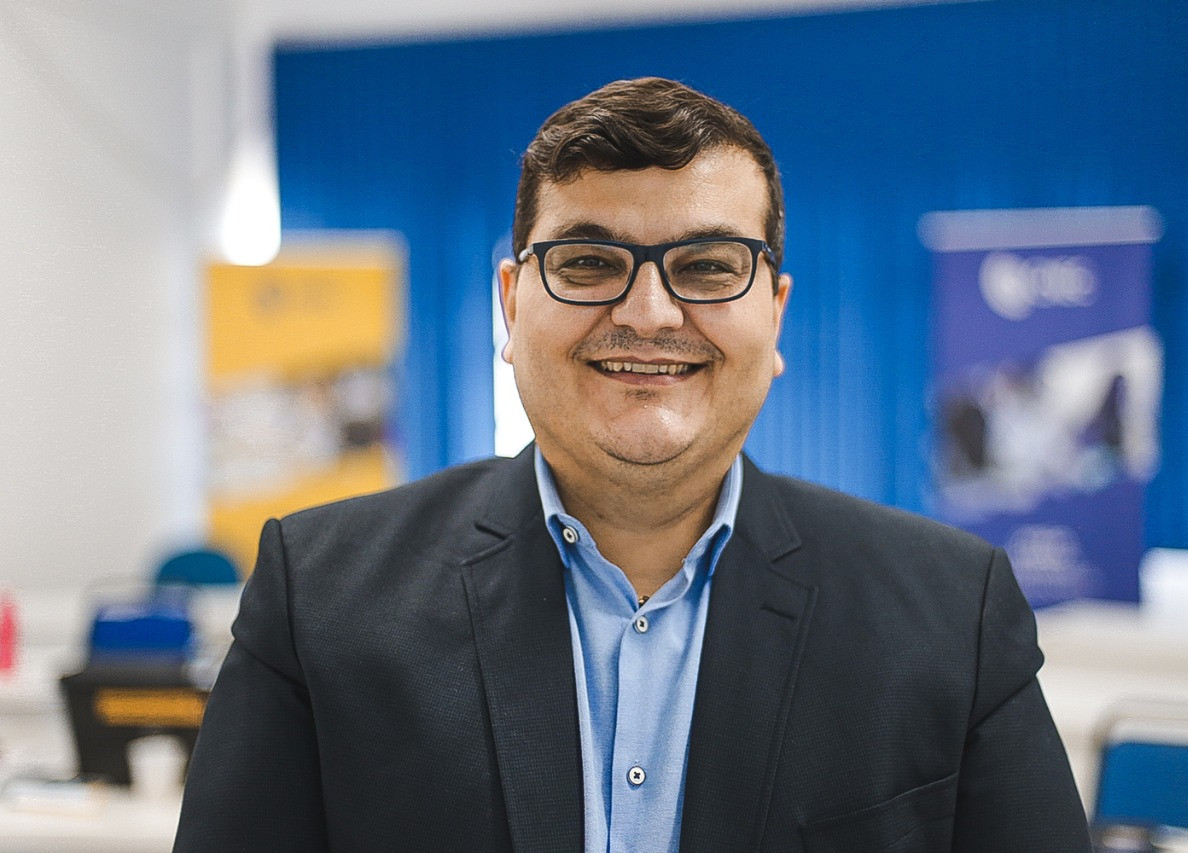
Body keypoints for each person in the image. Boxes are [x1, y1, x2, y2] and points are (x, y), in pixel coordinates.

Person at [175, 77, 1091, 852]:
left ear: (775, 314)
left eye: (708, 265)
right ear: (511, 306)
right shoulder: (319, 596)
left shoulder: (952, 615)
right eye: (586, 261)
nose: (648, 313)